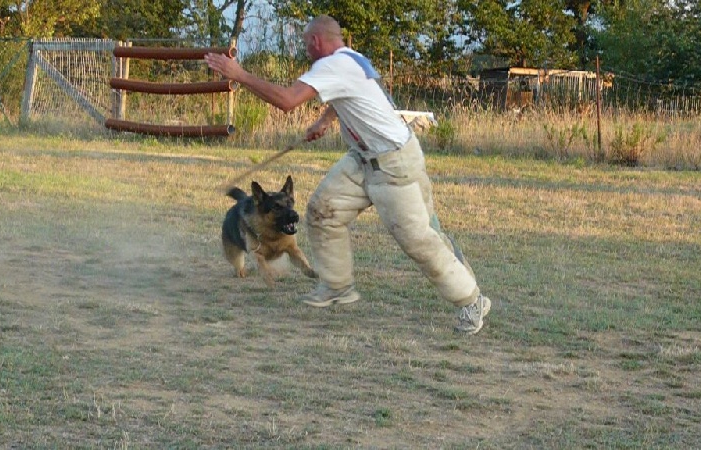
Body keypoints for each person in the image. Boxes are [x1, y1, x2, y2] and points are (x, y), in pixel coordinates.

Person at [204, 14, 491, 334]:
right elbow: (354, 95)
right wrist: (327, 120)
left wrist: (238, 74)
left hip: (393, 165)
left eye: (305, 44)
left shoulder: (329, 65)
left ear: (315, 41)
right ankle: (337, 286)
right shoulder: (352, 59)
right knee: (322, 210)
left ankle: (471, 300)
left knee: (421, 242)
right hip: (366, 158)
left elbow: (286, 101)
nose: (305, 51)